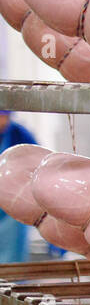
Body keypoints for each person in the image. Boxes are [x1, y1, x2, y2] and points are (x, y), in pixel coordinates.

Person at [0, 111, 38, 264]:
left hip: (13, 211)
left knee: (12, 266)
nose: (2, 121)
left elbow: (39, 167)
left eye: (5, 117)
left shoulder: (21, 136)